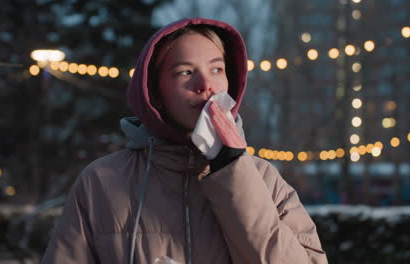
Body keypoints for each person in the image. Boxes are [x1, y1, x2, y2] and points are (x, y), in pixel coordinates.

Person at [41, 17, 327, 264]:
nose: (206, 84)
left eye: (217, 69)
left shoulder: (264, 178)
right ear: (155, 92)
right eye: (185, 72)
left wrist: (233, 169)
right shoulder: (101, 181)